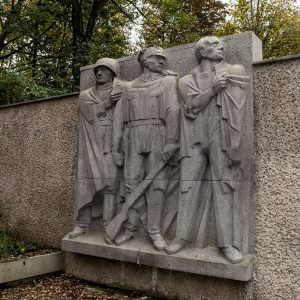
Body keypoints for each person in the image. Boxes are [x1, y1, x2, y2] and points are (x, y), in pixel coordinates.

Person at [166, 36, 250, 263]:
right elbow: (190, 107)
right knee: (187, 189)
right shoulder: (185, 81)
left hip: (221, 138)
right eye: (214, 44)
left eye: (221, 44)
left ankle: (225, 244)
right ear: (202, 52)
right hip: (194, 140)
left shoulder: (233, 71)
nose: (221, 46)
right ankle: (181, 237)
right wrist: (212, 90)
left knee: (223, 189)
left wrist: (235, 144)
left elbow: (238, 109)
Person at [111, 47, 180, 251]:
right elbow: (118, 121)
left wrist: (171, 140)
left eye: (163, 59)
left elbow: (173, 110)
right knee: (131, 185)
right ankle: (131, 227)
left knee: (157, 185)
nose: (161, 61)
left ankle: (154, 230)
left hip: (157, 133)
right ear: (145, 62)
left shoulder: (168, 81)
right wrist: (116, 149)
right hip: (132, 134)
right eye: (157, 58)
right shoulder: (128, 87)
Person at [68, 58, 123, 243]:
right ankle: (83, 224)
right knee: (86, 183)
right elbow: (89, 115)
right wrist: (107, 103)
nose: (99, 73)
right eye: (97, 70)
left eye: (104, 70)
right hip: (91, 143)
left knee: (110, 184)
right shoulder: (86, 95)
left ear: (113, 73)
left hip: (112, 140)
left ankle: (108, 225)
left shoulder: (121, 90)